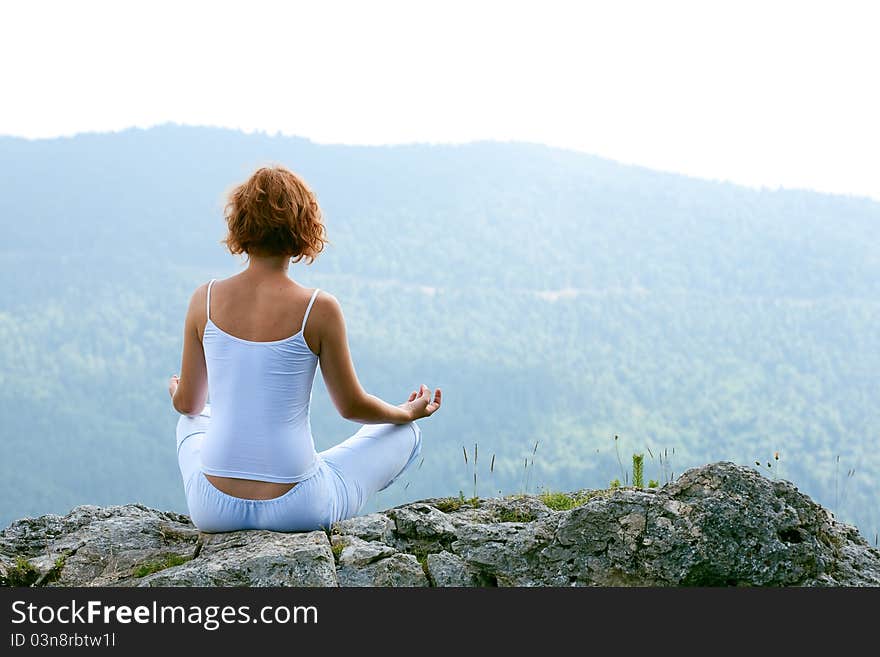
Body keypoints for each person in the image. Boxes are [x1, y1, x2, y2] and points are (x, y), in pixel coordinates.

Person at [167, 165, 442, 533]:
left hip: (214, 509)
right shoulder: (319, 308)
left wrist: (176, 389)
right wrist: (405, 412)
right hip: (298, 507)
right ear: (304, 228)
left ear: (240, 225)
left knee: (192, 420)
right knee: (404, 433)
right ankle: (317, 470)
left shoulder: (205, 299)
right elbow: (352, 407)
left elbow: (189, 405)